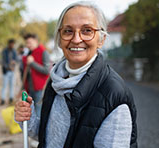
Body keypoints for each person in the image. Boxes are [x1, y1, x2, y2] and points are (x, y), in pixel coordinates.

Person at [15, 2, 137, 148]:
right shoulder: (57, 81)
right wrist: (28, 120)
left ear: (101, 39)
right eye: (68, 31)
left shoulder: (113, 94)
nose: (76, 39)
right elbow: (49, 137)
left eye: (87, 30)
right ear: (60, 39)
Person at [22, 33, 50, 117]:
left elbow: (46, 70)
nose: (28, 45)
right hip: (30, 87)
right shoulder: (30, 53)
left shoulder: (44, 52)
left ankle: (38, 130)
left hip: (40, 88)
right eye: (27, 43)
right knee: (30, 110)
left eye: (30, 42)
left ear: (36, 41)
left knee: (38, 110)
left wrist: (32, 63)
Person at [0, 39, 17, 105]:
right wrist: (8, 67)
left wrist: (14, 63)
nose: (12, 45)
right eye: (11, 44)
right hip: (6, 71)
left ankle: (11, 98)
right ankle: (3, 99)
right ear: (9, 44)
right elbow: (3, 62)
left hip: (12, 71)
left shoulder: (14, 52)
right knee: (4, 85)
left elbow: (16, 60)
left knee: (12, 85)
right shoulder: (5, 51)